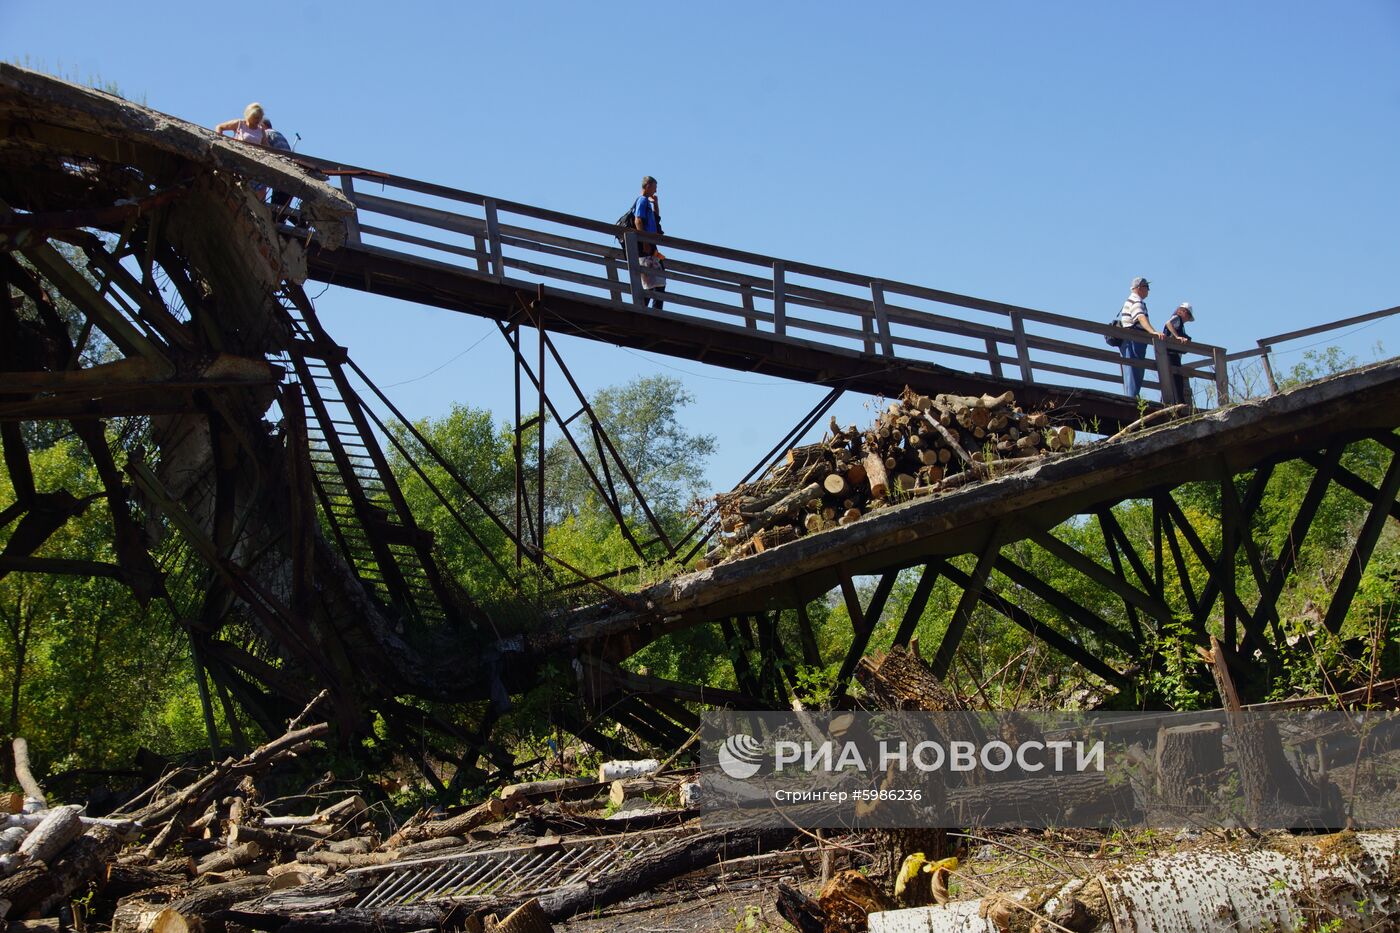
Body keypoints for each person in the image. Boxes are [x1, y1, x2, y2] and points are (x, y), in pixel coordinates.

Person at [1117, 276, 1155, 399]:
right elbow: (1140, 317)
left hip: (1130, 340)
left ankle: (1131, 397)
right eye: (1146, 287)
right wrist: (1152, 332)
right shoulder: (1136, 301)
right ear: (1139, 288)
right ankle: (1132, 399)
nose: (1148, 290)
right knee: (1134, 370)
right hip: (1134, 340)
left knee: (1131, 370)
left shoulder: (1131, 300)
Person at [632, 176, 666, 310]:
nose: (656, 190)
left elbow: (656, 219)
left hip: (650, 245)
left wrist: (656, 203)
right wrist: (644, 240)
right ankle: (652, 312)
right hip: (646, 247)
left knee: (652, 282)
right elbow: (638, 220)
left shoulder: (647, 202)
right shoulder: (642, 200)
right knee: (657, 281)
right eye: (654, 187)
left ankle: (642, 309)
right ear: (647, 186)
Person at [261, 118, 296, 222]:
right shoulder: (278, 134)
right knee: (282, 207)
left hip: (280, 174)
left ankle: (299, 223)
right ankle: (300, 223)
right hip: (290, 173)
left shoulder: (266, 133)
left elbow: (263, 150)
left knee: (277, 209)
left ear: (263, 125)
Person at [1161, 301, 1195, 405]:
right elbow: (1168, 323)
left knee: (1175, 377)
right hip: (1171, 354)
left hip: (1173, 354)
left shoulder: (1180, 324)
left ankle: (1175, 401)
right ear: (1182, 311)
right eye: (1188, 314)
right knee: (1176, 377)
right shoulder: (1177, 318)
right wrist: (1177, 337)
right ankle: (1178, 402)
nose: (1188, 318)